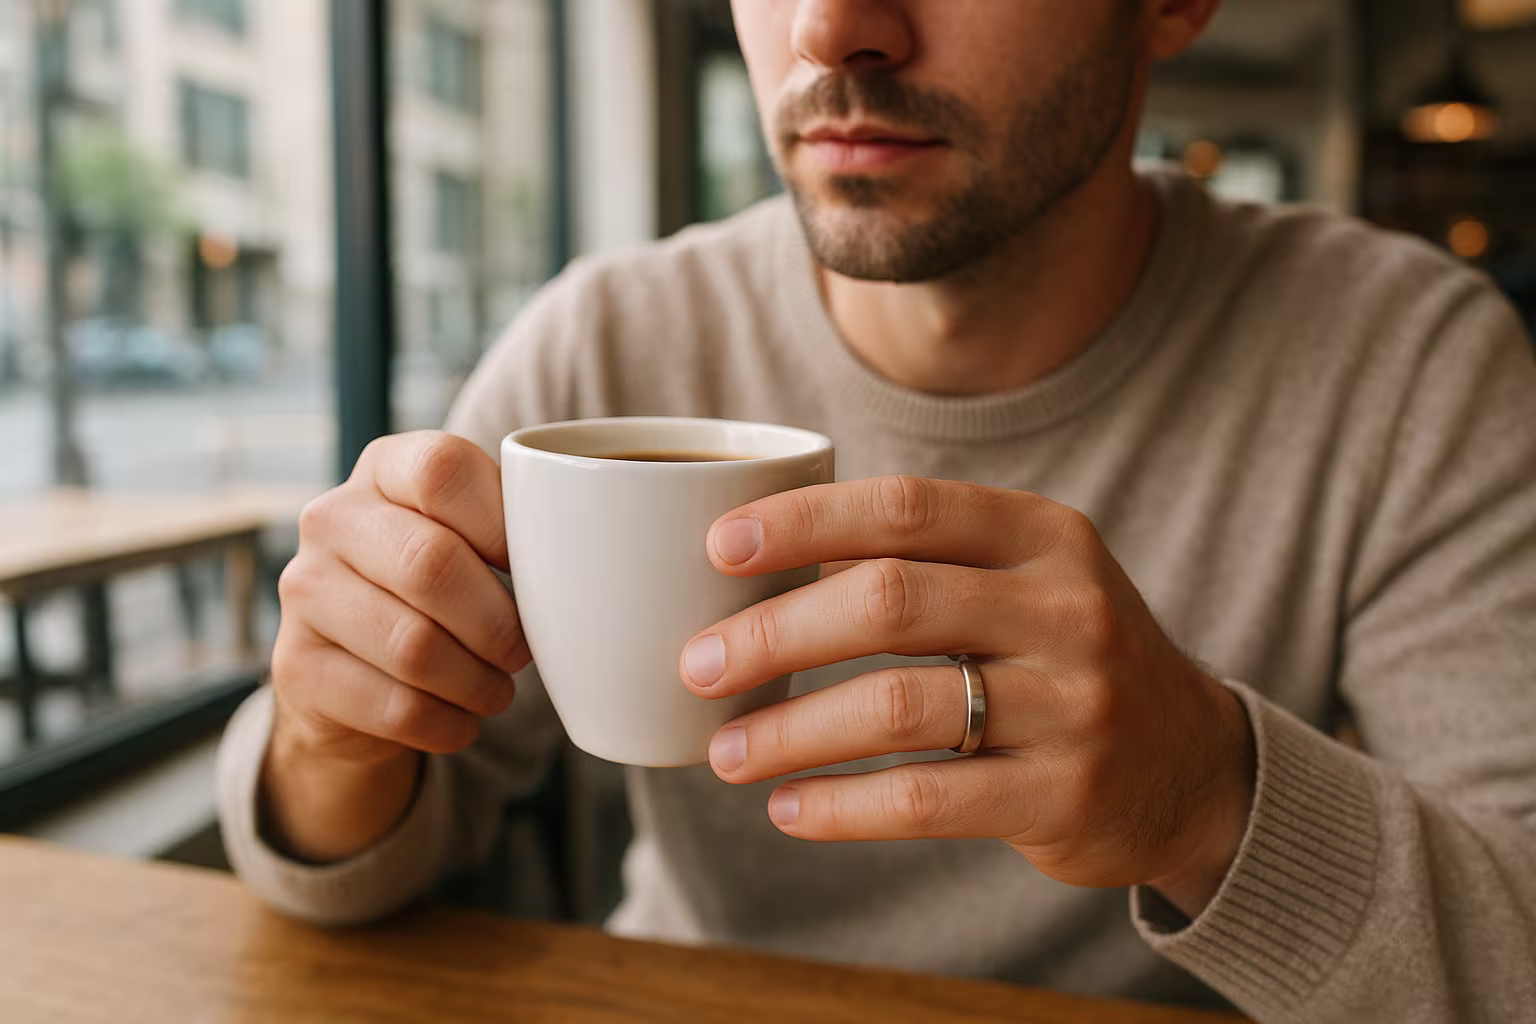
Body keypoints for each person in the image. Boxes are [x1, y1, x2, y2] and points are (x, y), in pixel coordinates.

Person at [217, 1, 1536, 1020]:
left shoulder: (1409, 363)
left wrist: (1207, 796)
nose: (830, 27)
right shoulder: (604, 343)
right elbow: (353, 861)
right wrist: (328, 734)